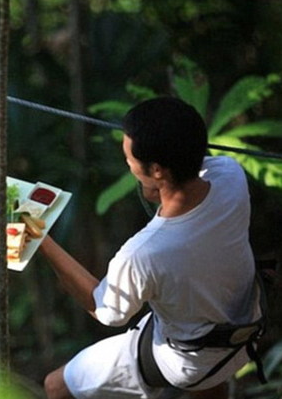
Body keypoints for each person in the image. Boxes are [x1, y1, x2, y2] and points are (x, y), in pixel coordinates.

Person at [39, 97, 262, 399]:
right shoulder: (230, 176)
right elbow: (190, 166)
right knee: (198, 337)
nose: (128, 165)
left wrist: (41, 239)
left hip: (190, 361)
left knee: (57, 386)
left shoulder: (145, 253)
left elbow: (103, 309)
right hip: (245, 330)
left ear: (157, 170)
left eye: (129, 161)